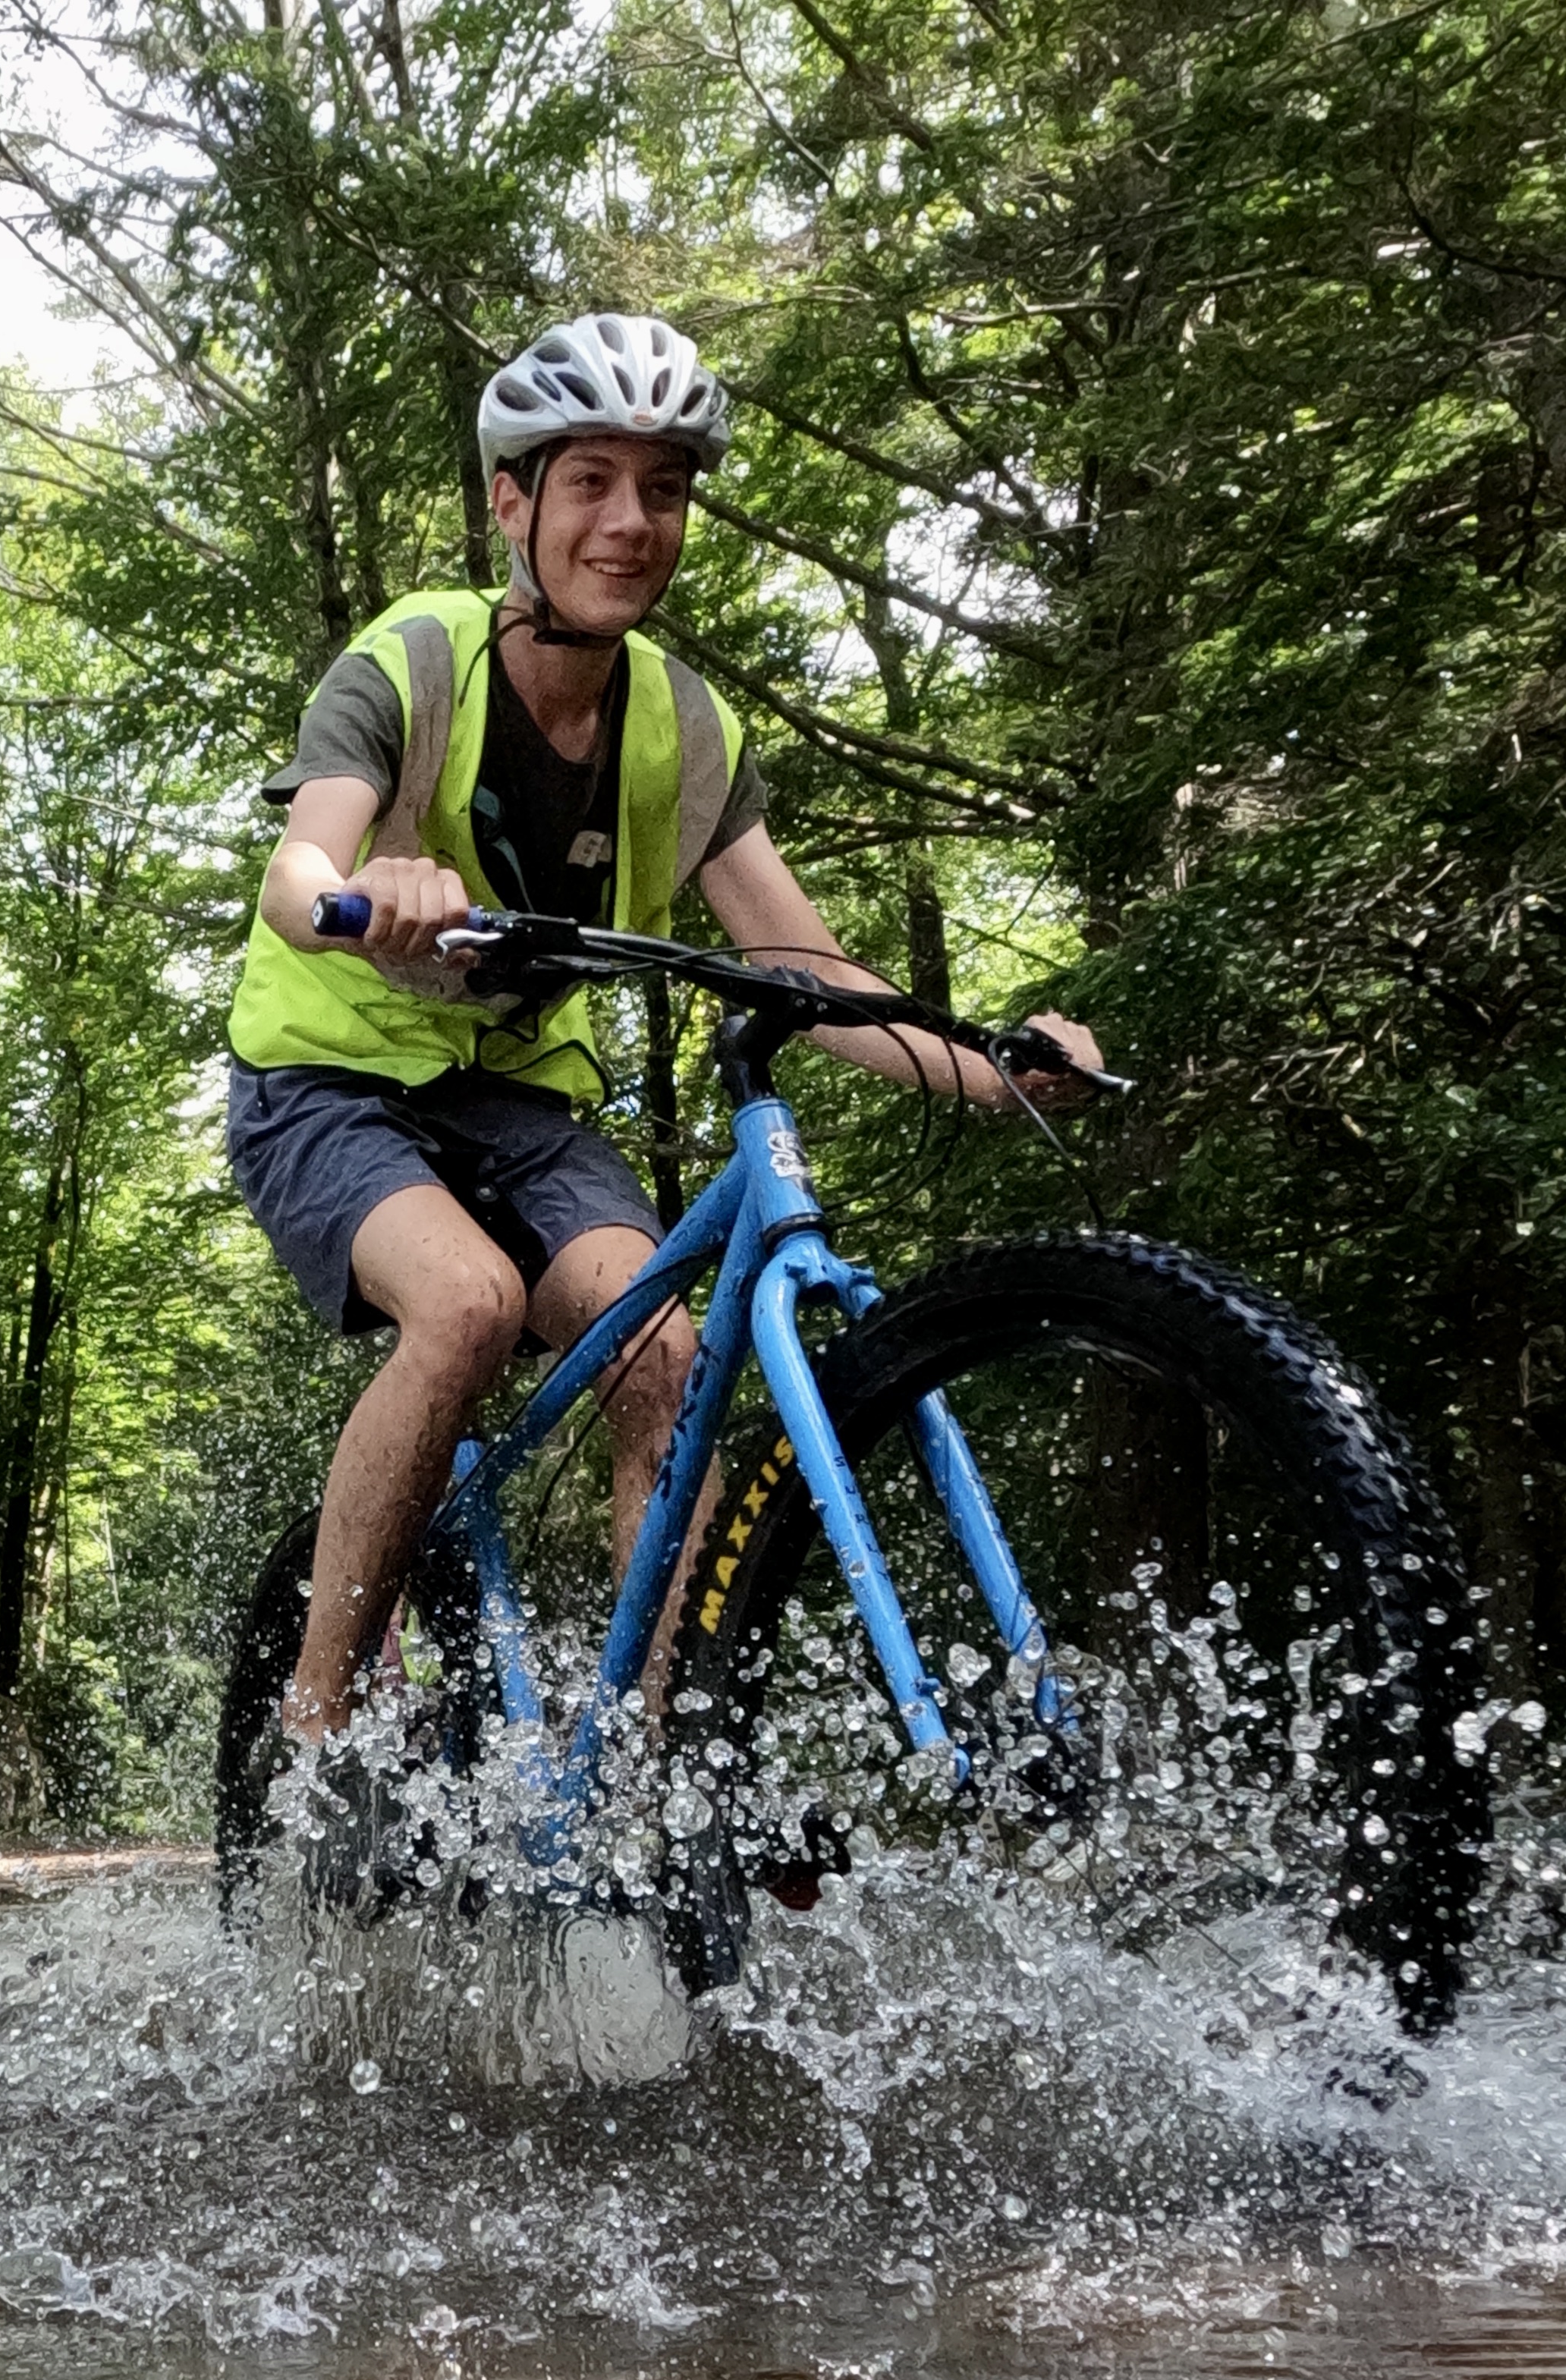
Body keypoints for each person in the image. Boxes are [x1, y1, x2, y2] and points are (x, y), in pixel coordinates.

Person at [226, 312, 1102, 1762]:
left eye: (664, 489)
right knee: (463, 1306)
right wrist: (366, 893)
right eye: (588, 482)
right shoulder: (412, 662)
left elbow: (802, 963)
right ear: (512, 502)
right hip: (328, 1078)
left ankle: (645, 1776)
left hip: (516, 1096)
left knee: (666, 1357)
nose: (630, 522)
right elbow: (293, 871)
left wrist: (991, 1073)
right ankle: (315, 1729)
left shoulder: (683, 730)